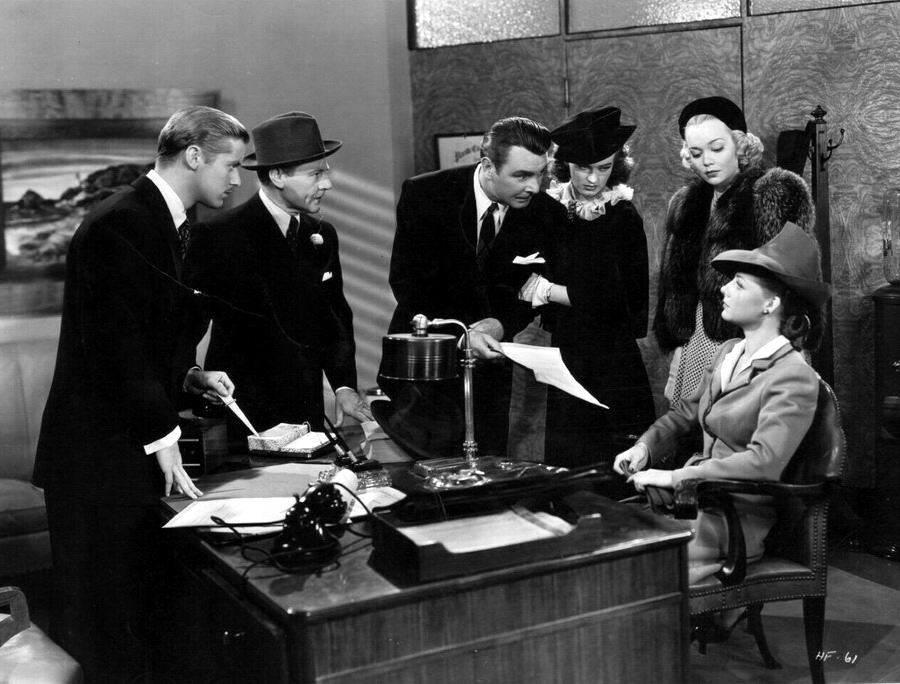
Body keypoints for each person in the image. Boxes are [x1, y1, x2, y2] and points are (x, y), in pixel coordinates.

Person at [32, 105, 249, 682]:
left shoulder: (164, 220)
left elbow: (145, 334)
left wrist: (190, 375)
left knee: (142, 621)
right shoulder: (124, 222)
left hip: (121, 452)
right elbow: (115, 348)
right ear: (194, 156)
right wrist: (163, 435)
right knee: (104, 630)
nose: (236, 179)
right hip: (96, 462)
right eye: (231, 165)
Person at [614, 222, 832, 602]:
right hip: (692, 504)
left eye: (739, 284)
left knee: (624, 570)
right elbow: (685, 413)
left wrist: (677, 477)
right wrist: (645, 448)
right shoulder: (728, 351)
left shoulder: (793, 376)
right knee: (603, 545)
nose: (723, 289)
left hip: (736, 520)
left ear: (771, 304)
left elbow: (764, 462)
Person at [381, 116, 565, 456]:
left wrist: (501, 323)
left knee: (486, 463)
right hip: (425, 364)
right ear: (488, 166)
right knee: (426, 469)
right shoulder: (425, 194)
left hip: (490, 373)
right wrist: (463, 333)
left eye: (540, 174)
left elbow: (532, 291)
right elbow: (407, 284)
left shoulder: (546, 214)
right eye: (522, 175)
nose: (534, 186)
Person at [185, 111, 371, 444]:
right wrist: (192, 376)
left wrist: (344, 386)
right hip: (244, 417)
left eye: (325, 172)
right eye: (315, 174)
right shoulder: (218, 235)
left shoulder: (322, 234)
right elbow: (183, 323)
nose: (326, 184)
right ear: (277, 175)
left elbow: (336, 318)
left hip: (308, 414)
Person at [515, 106, 655, 477]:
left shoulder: (622, 216)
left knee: (614, 467)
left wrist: (549, 291)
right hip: (567, 353)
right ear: (565, 165)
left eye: (604, 168)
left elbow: (616, 302)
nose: (593, 179)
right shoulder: (549, 209)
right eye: (582, 168)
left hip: (613, 358)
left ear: (617, 166)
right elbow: (522, 274)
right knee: (570, 466)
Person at [654, 96, 814, 421]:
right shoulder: (686, 203)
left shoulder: (773, 192)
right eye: (696, 153)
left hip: (755, 337)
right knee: (692, 426)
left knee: (745, 427)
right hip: (697, 337)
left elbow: (792, 281)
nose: (707, 162)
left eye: (717, 148)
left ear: (740, 146)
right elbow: (677, 285)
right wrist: (679, 344)